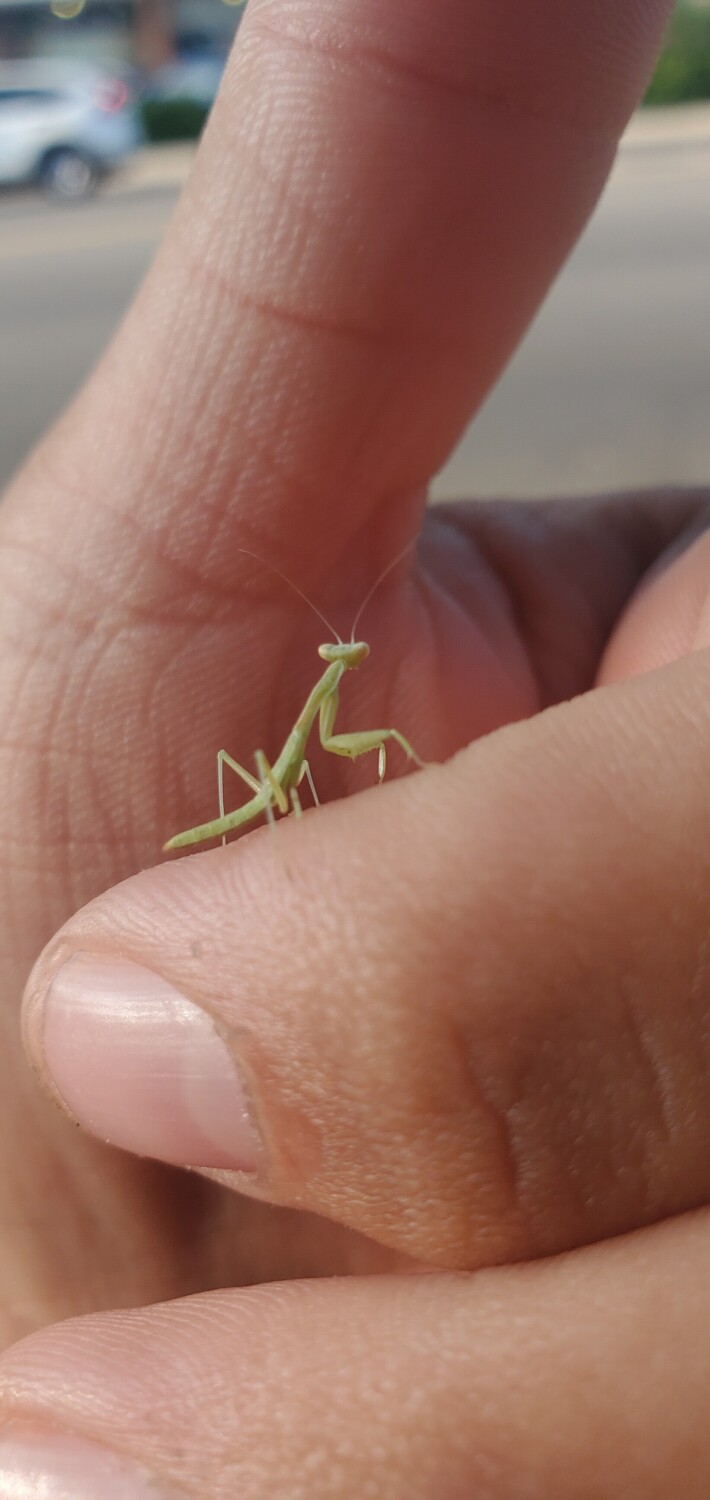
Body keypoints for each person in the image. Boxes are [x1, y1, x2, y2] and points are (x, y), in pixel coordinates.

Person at [0, 0, 708, 1493]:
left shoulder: (343, 706)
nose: (333, 668)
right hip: (189, 906)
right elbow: (265, 794)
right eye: (335, 661)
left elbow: (339, 755)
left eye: (331, 663)